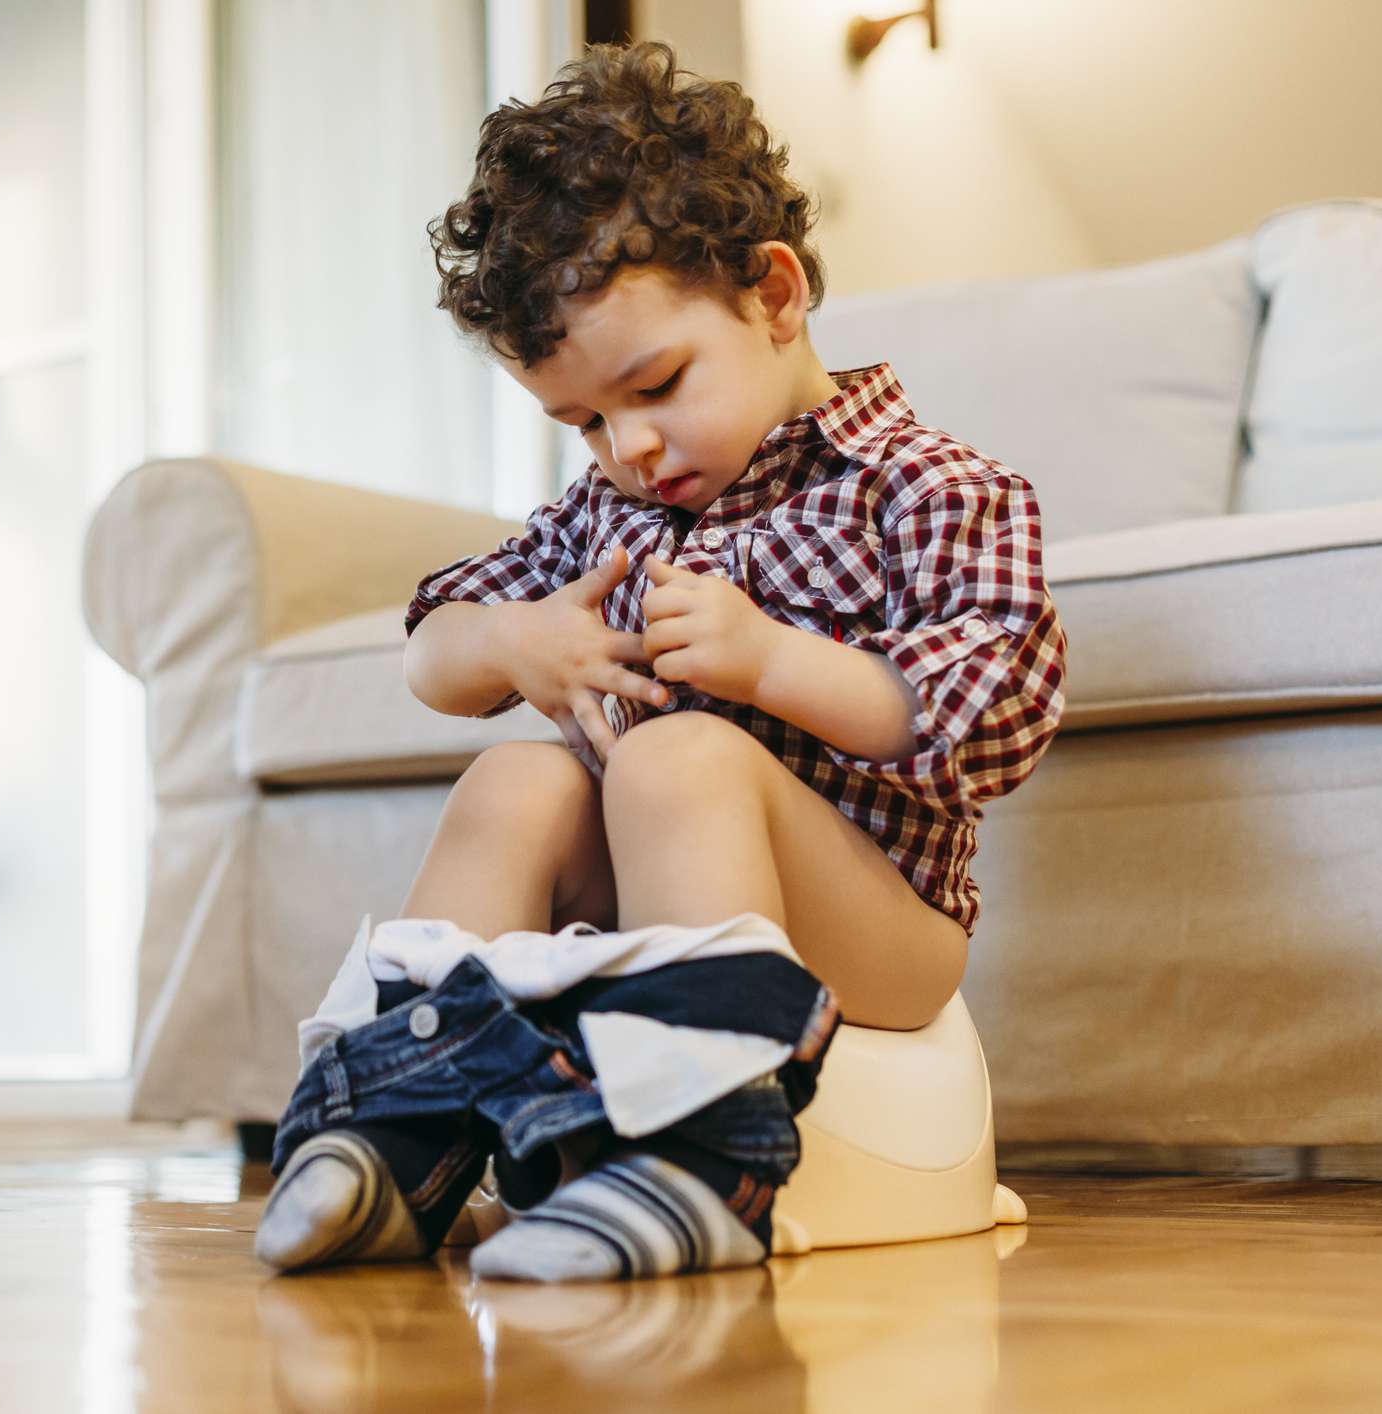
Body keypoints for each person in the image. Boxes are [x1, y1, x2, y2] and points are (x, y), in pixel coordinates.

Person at [254, 40, 1067, 1283]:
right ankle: (403, 1124)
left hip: (879, 933)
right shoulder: (608, 514)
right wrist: (515, 640)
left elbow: (987, 720)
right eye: (581, 421)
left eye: (655, 385)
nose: (627, 446)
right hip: (641, 903)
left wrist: (766, 660)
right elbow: (433, 652)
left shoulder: (932, 489)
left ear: (775, 294)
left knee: (683, 756)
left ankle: (703, 1151)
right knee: (516, 781)